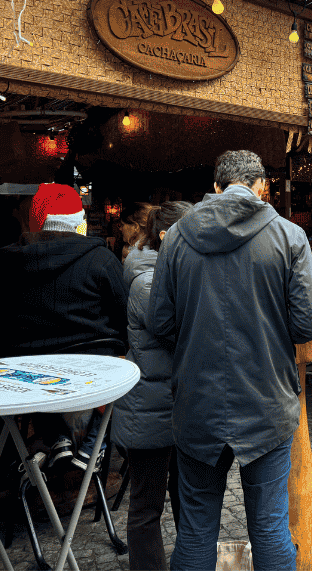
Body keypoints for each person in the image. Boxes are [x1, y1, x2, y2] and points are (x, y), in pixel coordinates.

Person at [149, 150, 312, 569]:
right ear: (261, 186)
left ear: (216, 187)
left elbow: (160, 321)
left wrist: (197, 338)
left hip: (197, 402)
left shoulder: (175, 237)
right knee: (269, 529)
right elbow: (308, 325)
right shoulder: (288, 235)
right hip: (265, 401)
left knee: (194, 532)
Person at [0, 183, 128, 467]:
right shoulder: (101, 259)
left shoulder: (4, 262)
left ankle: (56, 436)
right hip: (94, 368)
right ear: (80, 222)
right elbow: (123, 315)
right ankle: (93, 443)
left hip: (28, 371)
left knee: (39, 364)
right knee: (129, 364)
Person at [112, 201, 192, 571]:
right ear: (167, 236)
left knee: (186, 497)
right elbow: (182, 333)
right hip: (150, 407)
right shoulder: (147, 282)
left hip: (176, 402)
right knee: (147, 505)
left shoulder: (175, 271)